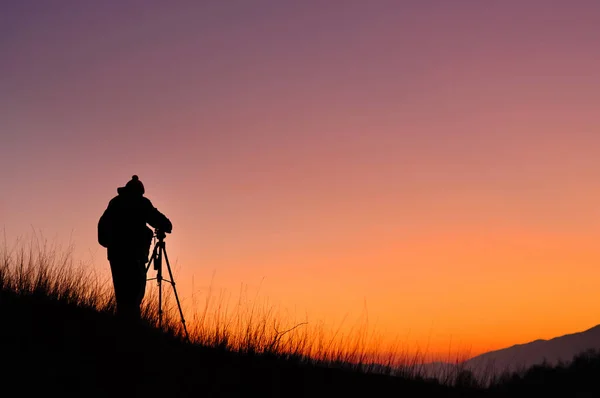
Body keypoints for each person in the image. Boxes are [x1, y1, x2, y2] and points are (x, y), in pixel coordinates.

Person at [98, 175, 172, 321]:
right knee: (134, 293)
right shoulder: (141, 203)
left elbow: (102, 225)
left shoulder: (115, 202)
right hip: (133, 255)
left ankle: (122, 325)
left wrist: (109, 244)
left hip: (115, 254)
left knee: (121, 292)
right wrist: (166, 226)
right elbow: (160, 221)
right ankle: (132, 327)